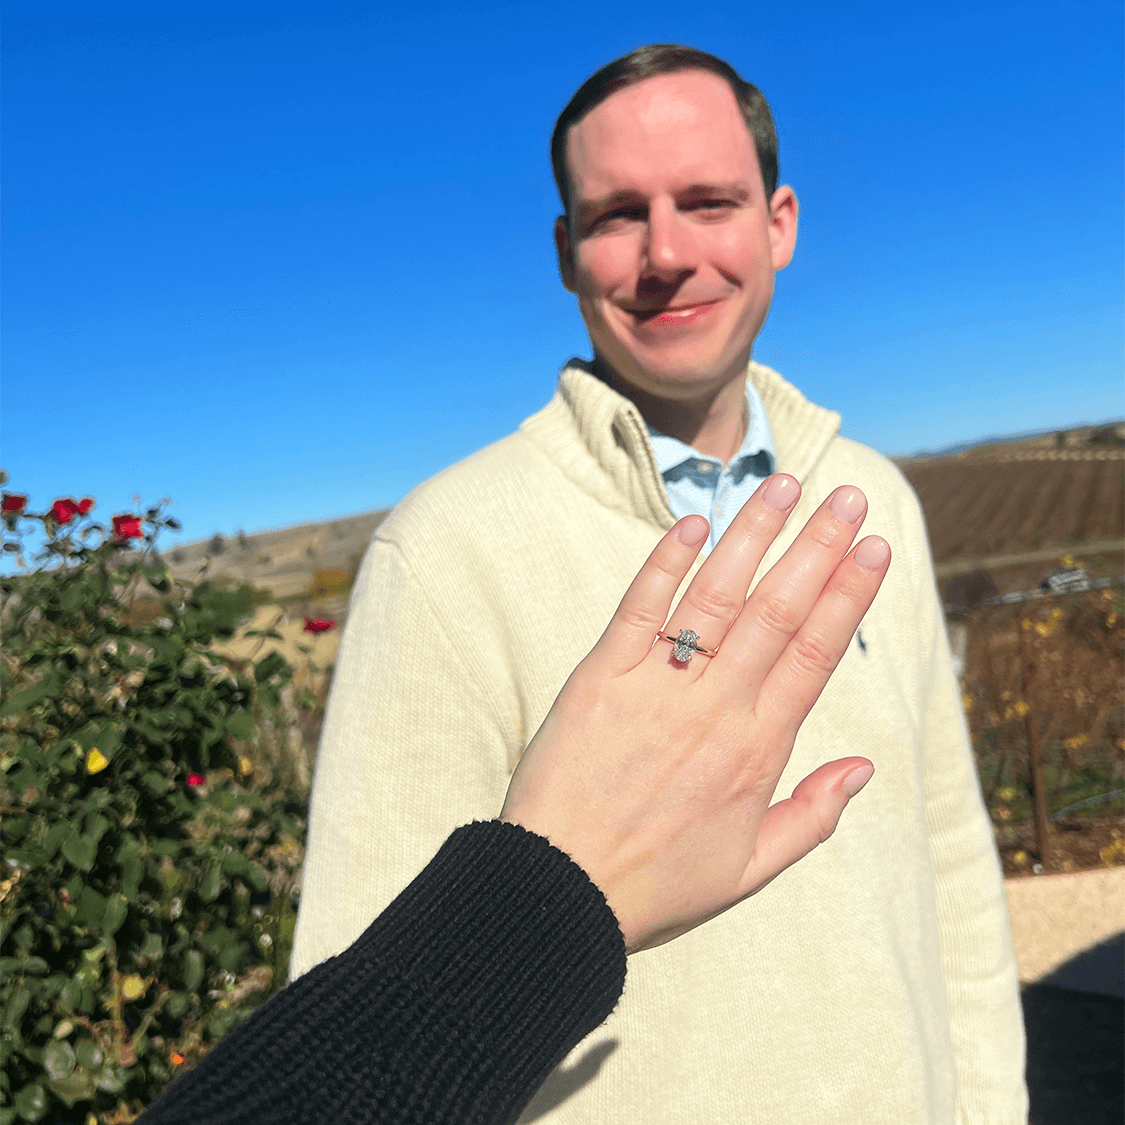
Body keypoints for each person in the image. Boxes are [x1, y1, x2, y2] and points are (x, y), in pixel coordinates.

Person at [292, 45, 1027, 1123]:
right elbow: (366, 993)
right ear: (565, 252)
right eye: (617, 214)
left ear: (780, 222)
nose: (666, 254)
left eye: (709, 201)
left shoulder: (875, 501)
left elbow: (952, 861)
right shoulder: (448, 549)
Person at [140, 486, 888, 1124]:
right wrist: (552, 896)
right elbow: (348, 921)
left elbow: (946, 867)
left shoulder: (881, 492)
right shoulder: (434, 538)